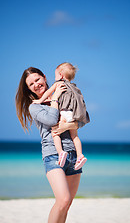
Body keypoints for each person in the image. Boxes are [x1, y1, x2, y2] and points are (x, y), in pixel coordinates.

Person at [15, 67, 85, 223]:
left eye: (37, 79)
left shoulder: (64, 96)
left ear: (44, 77)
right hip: (53, 155)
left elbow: (79, 118)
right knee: (63, 200)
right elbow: (53, 120)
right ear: (28, 89)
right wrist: (55, 98)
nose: (36, 84)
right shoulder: (35, 106)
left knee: (66, 205)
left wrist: (68, 124)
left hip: (73, 155)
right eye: (31, 84)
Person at [33, 62, 90, 170]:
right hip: (73, 114)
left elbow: (49, 92)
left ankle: (60, 152)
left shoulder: (59, 83)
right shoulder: (74, 88)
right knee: (75, 136)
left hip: (63, 112)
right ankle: (80, 155)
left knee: (55, 132)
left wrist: (40, 100)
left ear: (61, 75)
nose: (55, 78)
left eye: (55, 75)